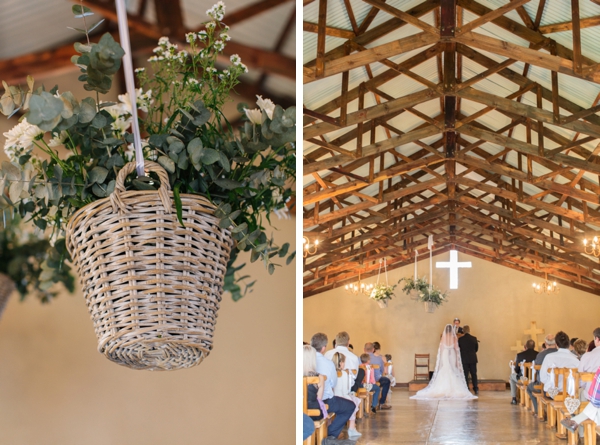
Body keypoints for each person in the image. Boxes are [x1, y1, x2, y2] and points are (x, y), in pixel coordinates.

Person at [310, 333, 356, 444]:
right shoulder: (327, 362)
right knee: (350, 406)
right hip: (324, 400)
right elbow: (333, 383)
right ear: (324, 347)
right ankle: (330, 435)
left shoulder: (306, 360)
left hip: (305, 400)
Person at [410, 324, 477, 400]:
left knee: (445, 367)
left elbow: (441, 348)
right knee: (452, 368)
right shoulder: (454, 337)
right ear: (452, 330)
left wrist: (442, 358)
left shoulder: (443, 337)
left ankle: (441, 388)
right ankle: (453, 388)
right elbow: (456, 348)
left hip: (445, 353)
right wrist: (457, 359)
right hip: (452, 353)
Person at [331, 352, 361, 439]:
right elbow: (345, 391)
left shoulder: (331, 372)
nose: (345, 364)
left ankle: (351, 428)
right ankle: (351, 428)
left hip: (333, 397)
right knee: (354, 402)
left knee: (353, 400)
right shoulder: (344, 374)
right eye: (344, 362)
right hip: (341, 397)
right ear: (341, 363)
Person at [526, 334, 558, 415]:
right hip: (561, 387)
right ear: (556, 343)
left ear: (545, 344)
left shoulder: (541, 355)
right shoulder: (560, 353)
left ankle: (539, 411)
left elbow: (537, 370)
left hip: (543, 386)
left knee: (529, 388)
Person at [509, 339, 538, 405]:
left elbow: (516, 369)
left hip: (523, 378)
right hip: (534, 378)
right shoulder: (538, 355)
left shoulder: (520, 355)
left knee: (511, 377)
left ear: (526, 346)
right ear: (534, 346)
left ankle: (514, 398)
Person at [365, 342, 391, 410]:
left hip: (363, 382)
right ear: (373, 349)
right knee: (387, 381)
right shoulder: (379, 358)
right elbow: (382, 371)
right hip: (376, 380)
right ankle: (382, 403)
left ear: (364, 349)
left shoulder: (360, 358)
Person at [458, 325, 479, 395]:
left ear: (463, 331)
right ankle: (475, 388)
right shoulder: (474, 338)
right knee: (474, 374)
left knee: (465, 374)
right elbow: (476, 349)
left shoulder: (461, 339)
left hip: (464, 359)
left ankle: (466, 388)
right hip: (473, 358)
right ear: (469, 330)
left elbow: (459, 348)